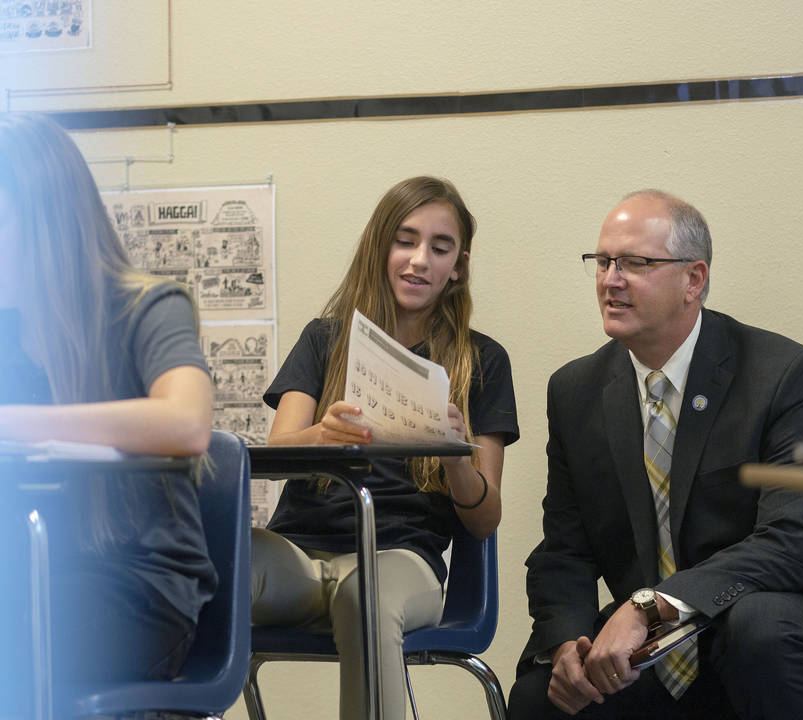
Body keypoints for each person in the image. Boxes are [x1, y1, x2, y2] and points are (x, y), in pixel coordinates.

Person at [508, 190, 803, 720]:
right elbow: (564, 548)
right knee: (543, 697)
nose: (611, 279)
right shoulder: (575, 390)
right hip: (655, 641)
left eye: (636, 263)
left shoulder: (779, 372)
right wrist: (568, 642)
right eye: (603, 262)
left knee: (759, 629)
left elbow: (791, 540)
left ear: (693, 280)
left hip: (770, 610)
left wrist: (649, 607)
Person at [251, 176, 518, 720]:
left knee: (364, 598)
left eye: (439, 248)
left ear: (458, 266)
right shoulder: (324, 339)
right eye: (405, 240)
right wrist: (322, 436)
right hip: (299, 558)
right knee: (200, 565)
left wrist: (454, 455)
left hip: (400, 563)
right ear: (380, 248)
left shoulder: (483, 360)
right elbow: (276, 456)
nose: (419, 260)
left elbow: (485, 519)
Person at [0, 113, 217, 705]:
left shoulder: (147, 306)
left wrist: (12, 421)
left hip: (142, 591)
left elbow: (187, 424)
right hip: (36, 577)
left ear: (40, 221)